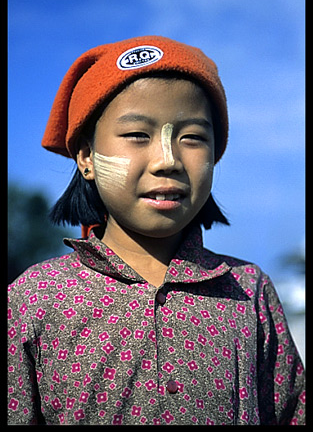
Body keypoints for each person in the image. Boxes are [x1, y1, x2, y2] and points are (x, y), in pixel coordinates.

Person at [7, 36, 305, 425]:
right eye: (137, 135)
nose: (168, 160)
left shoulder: (249, 291)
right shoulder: (34, 299)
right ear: (86, 157)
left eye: (193, 138)